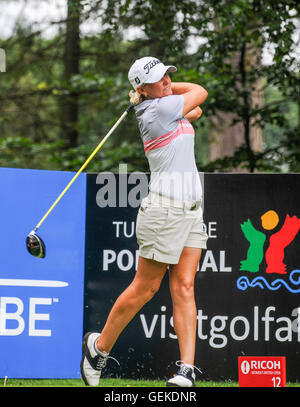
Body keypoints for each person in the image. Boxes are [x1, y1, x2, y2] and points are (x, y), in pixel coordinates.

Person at [80, 56, 208, 387]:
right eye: (159, 79)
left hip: (192, 209)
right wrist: (164, 93)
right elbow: (200, 93)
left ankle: (185, 372)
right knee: (145, 287)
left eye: (168, 75)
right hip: (165, 210)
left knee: (184, 286)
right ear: (141, 89)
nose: (167, 80)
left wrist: (159, 89)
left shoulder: (164, 105)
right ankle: (99, 348)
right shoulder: (158, 111)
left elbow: (196, 112)